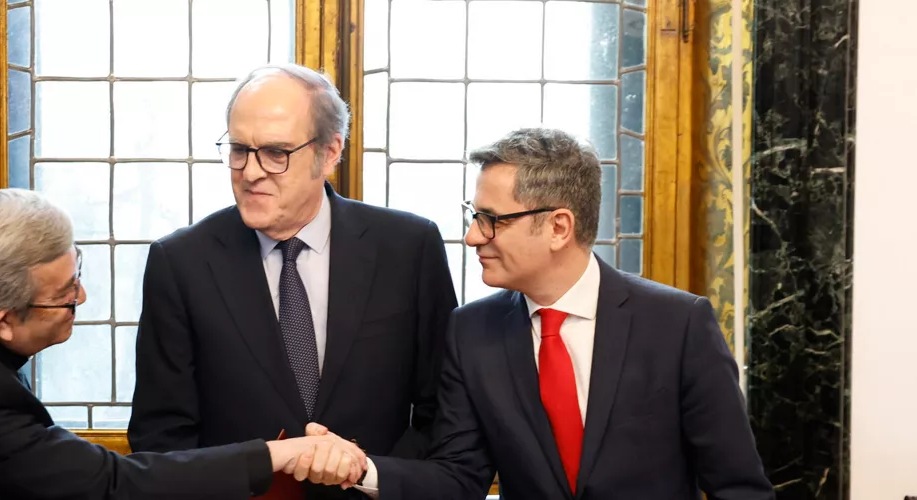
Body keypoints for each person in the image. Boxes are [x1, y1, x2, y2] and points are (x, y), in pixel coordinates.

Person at [329, 128, 775, 499]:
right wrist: (361, 469)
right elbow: (459, 476)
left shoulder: (677, 325)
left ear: (559, 227)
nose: (471, 237)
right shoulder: (471, 332)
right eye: (473, 215)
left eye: (491, 219)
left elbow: (737, 488)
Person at [0, 188, 366, 500]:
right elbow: (112, 484)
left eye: (77, 272)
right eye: (65, 296)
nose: (83, 296)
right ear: (2, 320)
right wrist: (280, 454)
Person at [127, 63, 458, 499]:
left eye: (276, 153)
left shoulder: (409, 247)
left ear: (330, 152)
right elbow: (161, 435)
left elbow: (443, 412)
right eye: (239, 149)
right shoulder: (181, 261)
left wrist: (369, 473)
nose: (250, 172)